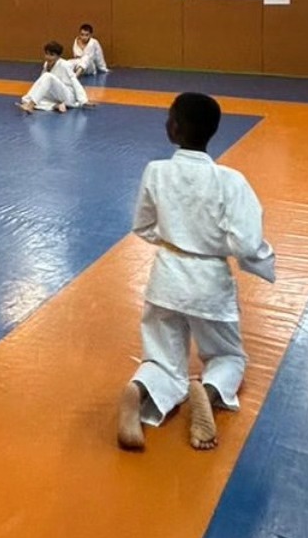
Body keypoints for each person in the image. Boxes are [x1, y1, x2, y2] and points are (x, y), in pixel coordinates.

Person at [117, 91, 276, 453]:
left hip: (165, 279)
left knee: (161, 358)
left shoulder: (156, 171)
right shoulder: (231, 181)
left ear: (173, 128)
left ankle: (138, 391)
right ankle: (208, 390)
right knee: (227, 355)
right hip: (210, 284)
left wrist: (176, 239)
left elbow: (142, 226)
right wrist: (226, 249)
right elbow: (247, 244)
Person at [18, 40, 88, 112]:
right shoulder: (46, 64)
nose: (48, 57)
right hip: (57, 95)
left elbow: (75, 81)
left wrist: (83, 100)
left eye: (52, 55)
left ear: (58, 56)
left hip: (68, 96)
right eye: (46, 54)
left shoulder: (65, 65)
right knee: (26, 99)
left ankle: (31, 105)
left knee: (48, 76)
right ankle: (55, 106)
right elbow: (41, 83)